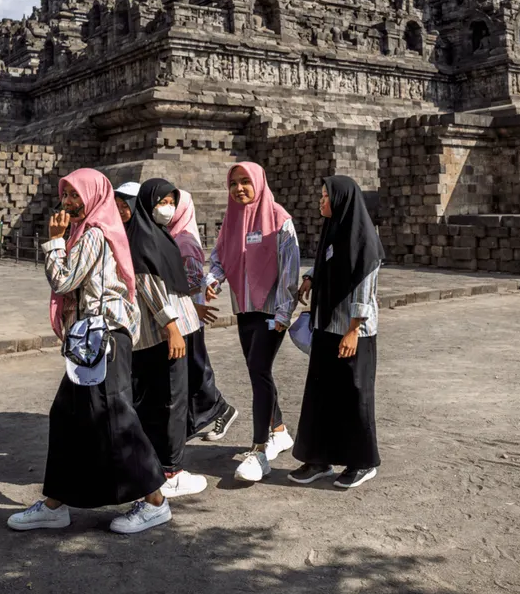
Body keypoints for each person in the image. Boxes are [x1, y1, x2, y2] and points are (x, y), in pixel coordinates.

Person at [6, 168, 172, 535]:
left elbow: (64, 280)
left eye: (74, 196)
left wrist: (53, 241)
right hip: (92, 338)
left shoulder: (95, 234)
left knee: (116, 417)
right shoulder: (88, 232)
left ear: (94, 196)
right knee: (68, 415)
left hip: (106, 337)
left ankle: (156, 501)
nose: (67, 203)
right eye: (64, 195)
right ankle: (56, 503)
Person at [204, 162, 300, 482]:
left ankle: (259, 451)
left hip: (272, 311)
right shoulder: (232, 220)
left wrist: (285, 314)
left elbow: (290, 270)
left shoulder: (279, 220)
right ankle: (280, 430)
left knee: (259, 370)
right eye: (234, 183)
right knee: (257, 370)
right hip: (244, 309)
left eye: (246, 182)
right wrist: (212, 279)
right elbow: (221, 257)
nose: (239, 188)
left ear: (259, 182)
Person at [114, 179, 209, 500]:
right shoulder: (142, 238)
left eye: (171, 201)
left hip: (163, 332)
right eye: (161, 201)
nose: (166, 208)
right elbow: (150, 286)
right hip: (164, 334)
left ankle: (156, 464)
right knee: (170, 401)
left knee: (161, 400)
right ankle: (170, 472)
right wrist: (172, 328)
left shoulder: (153, 235)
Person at [290, 176, 383, 489]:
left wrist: (354, 329)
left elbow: (364, 288)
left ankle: (362, 462)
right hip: (327, 325)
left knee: (354, 396)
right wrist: (310, 278)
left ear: (341, 200)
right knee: (321, 395)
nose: (321, 201)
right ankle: (319, 458)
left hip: (353, 331)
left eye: (325, 196)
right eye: (321, 196)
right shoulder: (333, 230)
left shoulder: (364, 239)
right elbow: (327, 262)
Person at [162, 186, 238, 442]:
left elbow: (194, 282)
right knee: (190, 372)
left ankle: (221, 410)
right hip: (182, 315)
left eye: (171, 203)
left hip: (189, 318)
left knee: (195, 371)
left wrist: (195, 303)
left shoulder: (185, 241)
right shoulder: (172, 236)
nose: (166, 208)